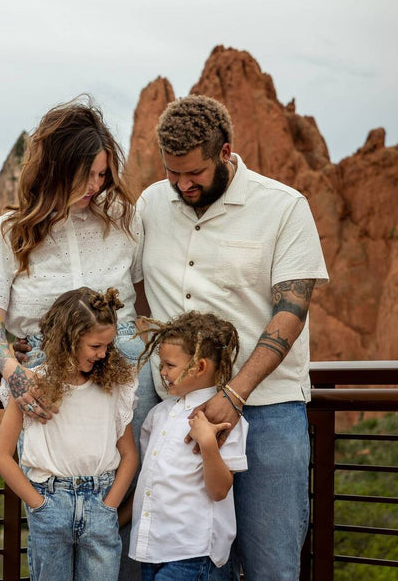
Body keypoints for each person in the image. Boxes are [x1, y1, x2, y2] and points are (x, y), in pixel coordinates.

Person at [138, 94, 329, 581]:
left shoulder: (284, 207)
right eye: (172, 173)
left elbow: (292, 310)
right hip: (176, 418)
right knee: (188, 564)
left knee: (271, 566)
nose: (182, 185)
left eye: (194, 174)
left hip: (267, 412)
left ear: (225, 153)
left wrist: (235, 392)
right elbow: (131, 289)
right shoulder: (151, 203)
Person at [0, 97, 158, 442]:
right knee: (49, 482)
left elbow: (144, 300)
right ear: (56, 168)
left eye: (101, 174)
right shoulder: (10, 231)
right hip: (43, 376)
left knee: (133, 483)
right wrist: (15, 374)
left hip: (125, 366)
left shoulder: (124, 219)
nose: (95, 186)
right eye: (85, 176)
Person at [0, 286, 139, 581]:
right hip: (50, 506)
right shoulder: (30, 386)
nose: (104, 354)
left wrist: (109, 505)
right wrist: (38, 505)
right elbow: (1, 455)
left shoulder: (113, 386)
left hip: (100, 503)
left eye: (108, 346)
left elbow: (129, 455)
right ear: (70, 339)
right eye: (95, 346)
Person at [129, 311, 248, 581]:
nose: (162, 372)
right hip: (152, 549)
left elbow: (219, 490)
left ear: (200, 367)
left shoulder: (224, 419)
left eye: (170, 365)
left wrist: (207, 442)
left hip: (192, 553)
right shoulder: (157, 415)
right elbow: (147, 482)